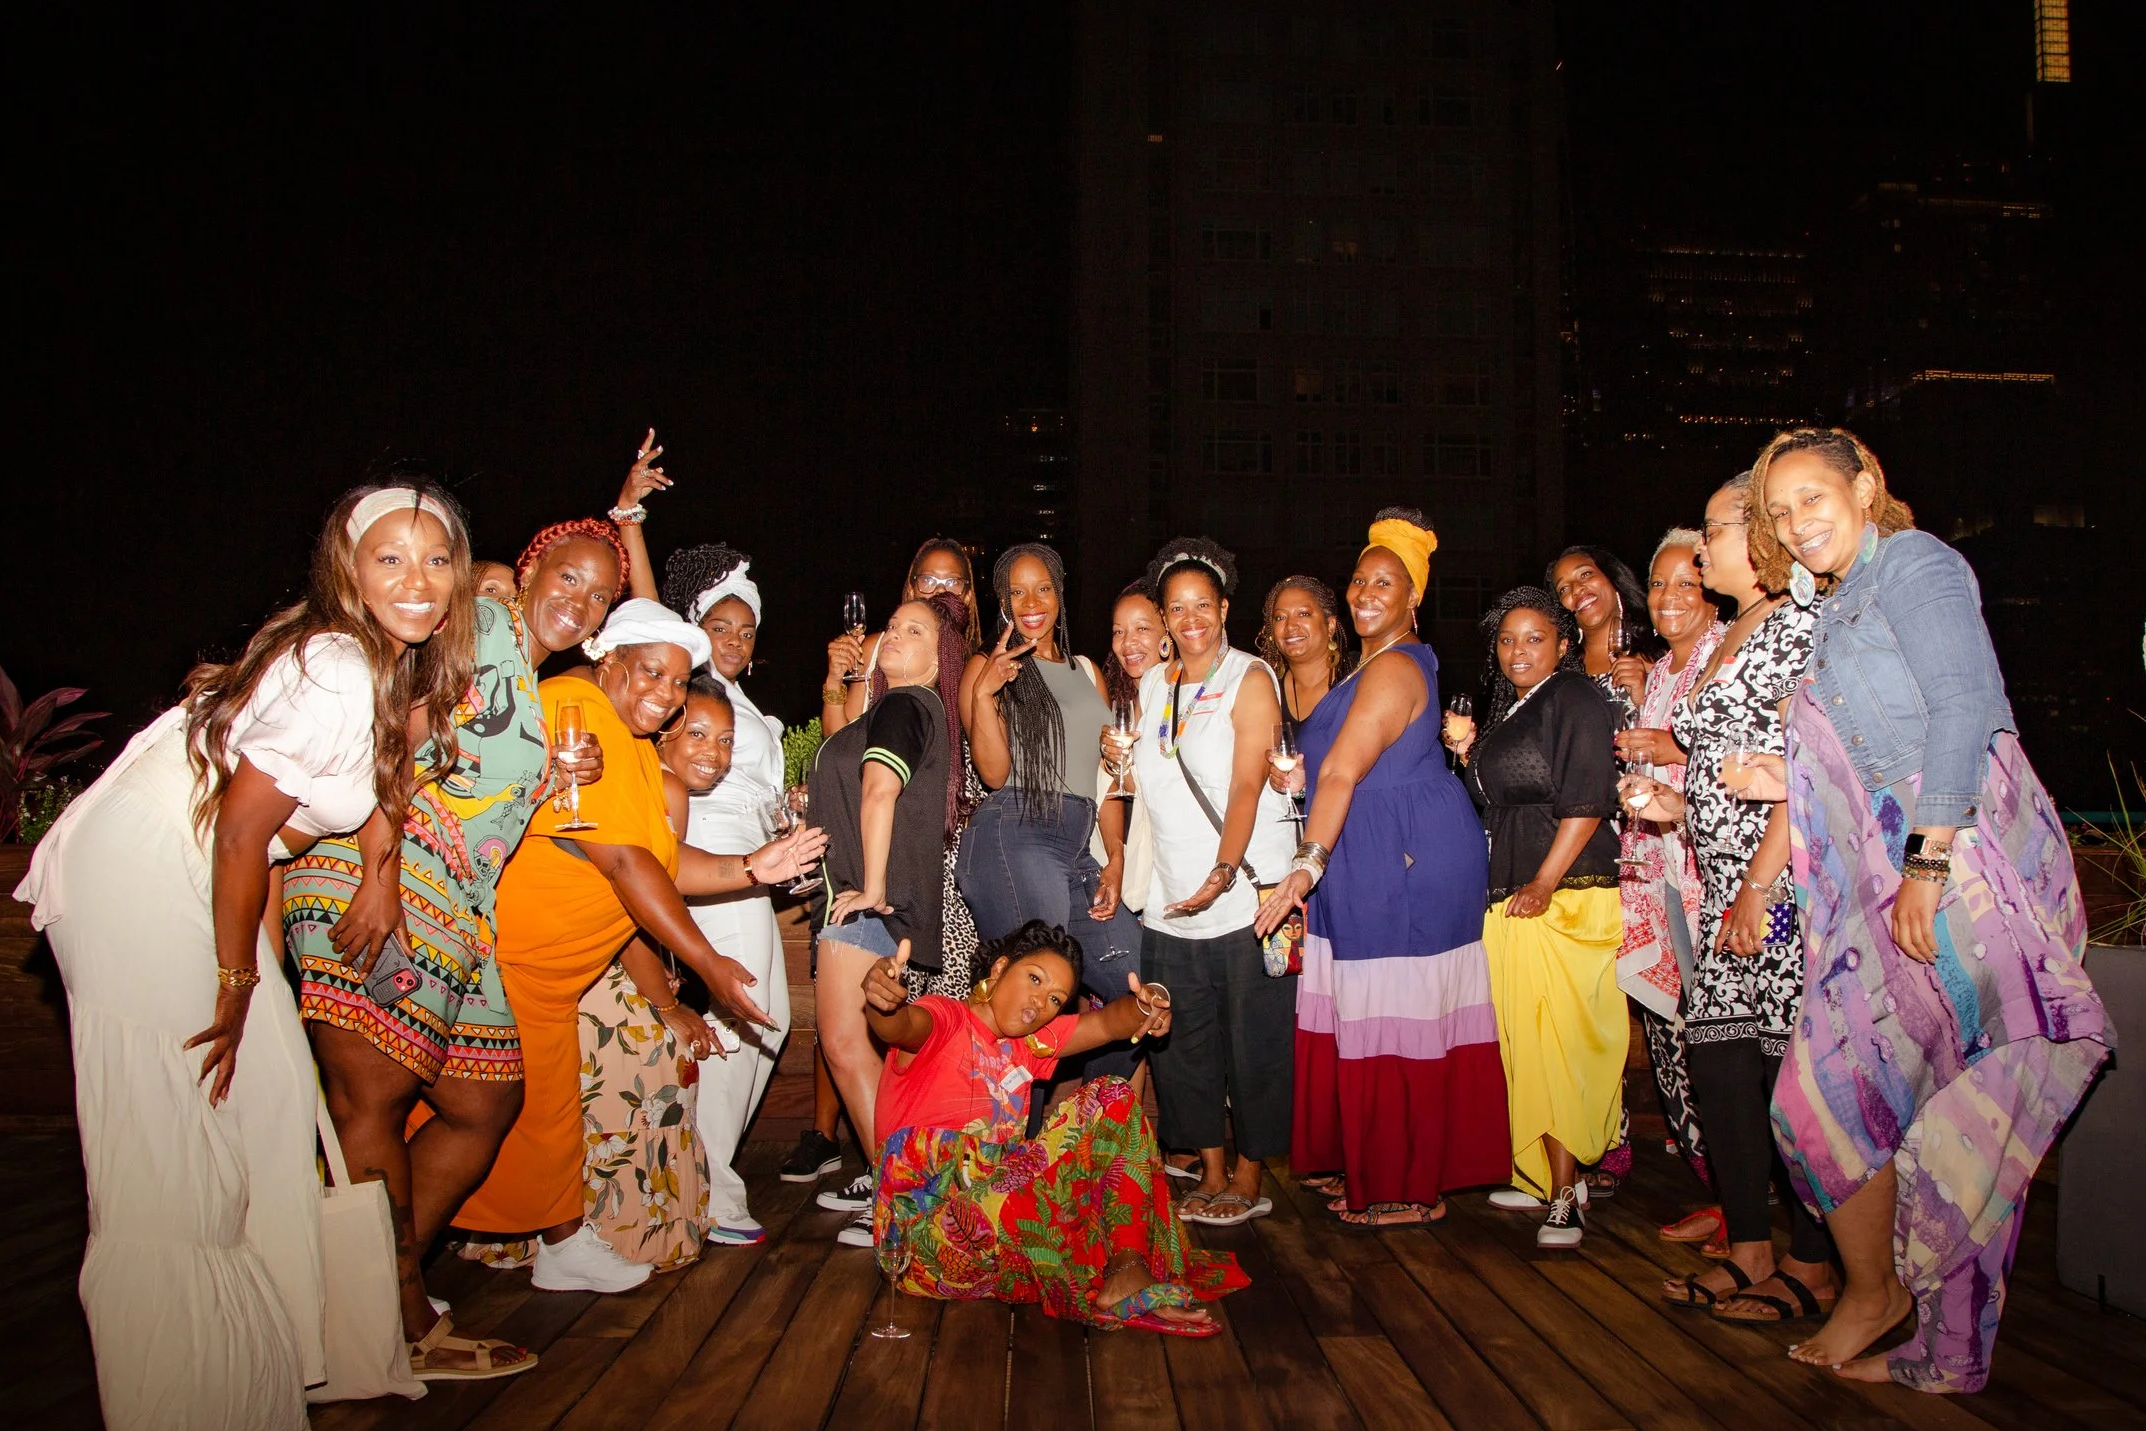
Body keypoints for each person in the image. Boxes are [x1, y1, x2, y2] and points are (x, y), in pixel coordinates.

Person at [17, 482, 472, 1429]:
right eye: (390, 558)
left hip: (208, 874)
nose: (418, 580)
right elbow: (239, 831)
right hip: (146, 871)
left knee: (272, 1098)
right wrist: (234, 982)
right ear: (349, 571)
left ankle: (280, 1365)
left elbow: (367, 788)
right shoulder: (338, 664)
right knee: (170, 1146)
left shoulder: (395, 670)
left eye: (436, 559)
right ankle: (184, 1397)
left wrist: (372, 879)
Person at [1750, 429, 2108, 1390]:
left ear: (1866, 487)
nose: (1795, 522)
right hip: (1885, 878)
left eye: (1813, 497)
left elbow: (1963, 706)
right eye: (1779, 512)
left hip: (1953, 863)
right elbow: (1859, 747)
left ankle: (1911, 1323)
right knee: (1899, 1113)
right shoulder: (1833, 609)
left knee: (1945, 1109)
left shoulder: (1914, 563)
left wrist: (1929, 860)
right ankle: (1918, 1325)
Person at [283, 511, 627, 1378]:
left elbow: (481, 777)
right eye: (569, 577)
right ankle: (388, 1326)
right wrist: (380, 874)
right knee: (373, 1101)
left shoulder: (534, 682)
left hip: (459, 909)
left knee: (485, 1097)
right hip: (384, 871)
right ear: (531, 569)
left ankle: (357, 1289)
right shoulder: (480, 624)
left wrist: (552, 774)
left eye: (600, 596)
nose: (580, 602)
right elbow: (393, 730)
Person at [447, 600, 823, 1292]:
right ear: (608, 660)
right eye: (653, 672)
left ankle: (557, 1244)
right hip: (514, 962)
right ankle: (390, 1280)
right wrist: (705, 963)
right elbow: (626, 863)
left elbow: (665, 861)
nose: (666, 693)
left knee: (531, 1119)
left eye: (678, 681)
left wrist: (752, 866)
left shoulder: (633, 752)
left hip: (561, 972)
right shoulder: (580, 713)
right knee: (471, 1124)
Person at [1254, 511, 1507, 1226]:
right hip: (1366, 847)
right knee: (1366, 1011)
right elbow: (1334, 771)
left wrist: (1304, 866)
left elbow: (1344, 771)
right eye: (1361, 579)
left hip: (1407, 855)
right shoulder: (1368, 668)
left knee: (1400, 1015)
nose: (1367, 592)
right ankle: (1374, 1161)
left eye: (1385, 582)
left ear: (1413, 597)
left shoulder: (1396, 665)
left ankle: (1409, 1185)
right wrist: (1300, 783)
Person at [1625, 479, 1836, 1322]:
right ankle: (1749, 1246)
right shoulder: (1737, 630)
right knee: (1719, 1066)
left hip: (1777, 889)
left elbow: (1808, 764)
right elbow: (1729, 763)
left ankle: (1813, 1260)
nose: (1701, 547)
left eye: (1712, 531)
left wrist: (1756, 885)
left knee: (1788, 1074)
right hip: (1720, 888)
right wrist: (1681, 807)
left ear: (1754, 540)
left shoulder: (1794, 624)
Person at [864, 920, 1249, 1336]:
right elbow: (900, 1026)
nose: (1040, 1002)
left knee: (1114, 1096)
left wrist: (1148, 1006)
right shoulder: (947, 1019)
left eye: (1055, 999)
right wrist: (882, 1000)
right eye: (1034, 979)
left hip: (1000, 1246)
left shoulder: (1032, 1045)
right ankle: (1109, 1268)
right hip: (923, 1245)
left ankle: (1127, 1267)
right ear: (999, 969)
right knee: (1046, 1166)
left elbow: (1108, 1024)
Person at [627, 507, 796, 1244]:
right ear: (695, 627)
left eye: (746, 630)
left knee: (767, 1020)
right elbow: (646, 613)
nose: (733, 640)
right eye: (719, 626)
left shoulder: (739, 702)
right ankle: (712, 1187)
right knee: (748, 1013)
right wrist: (631, 522)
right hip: (714, 857)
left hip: (752, 865)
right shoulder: (691, 686)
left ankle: (695, 1166)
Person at [1128, 538, 1295, 1227]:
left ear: (1224, 609)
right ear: (1165, 618)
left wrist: (1221, 872)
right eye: (1177, 608)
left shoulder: (1250, 676)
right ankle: (1212, 1168)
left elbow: (1247, 784)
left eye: (1203, 604)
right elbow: (1144, 785)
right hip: (1170, 900)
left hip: (1243, 895)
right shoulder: (1151, 686)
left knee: (1255, 1041)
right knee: (1183, 1045)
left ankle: (1250, 1173)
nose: (1191, 618)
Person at [809, 592, 974, 1246]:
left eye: (917, 631)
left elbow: (881, 790)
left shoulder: (906, 702)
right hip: (871, 900)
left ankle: (907, 1202)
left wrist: (872, 887)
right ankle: (906, 1191)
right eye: (895, 626)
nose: (898, 635)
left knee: (846, 1047)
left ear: (939, 660)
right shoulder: (891, 705)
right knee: (857, 1051)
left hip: (871, 903)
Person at [1465, 587, 1625, 1248]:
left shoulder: (1575, 697)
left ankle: (1566, 1195)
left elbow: (1588, 799)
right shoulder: (1517, 707)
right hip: (1513, 891)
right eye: (1507, 640)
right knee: (1523, 1041)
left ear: (1563, 644)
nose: (1518, 651)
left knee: (1557, 1043)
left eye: (1534, 638)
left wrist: (1543, 881)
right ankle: (1539, 1175)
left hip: (1564, 892)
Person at [957, 543, 1142, 988]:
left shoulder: (1088, 671)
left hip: (1079, 844)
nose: (1031, 603)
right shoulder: (987, 667)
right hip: (1017, 829)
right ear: (1004, 603)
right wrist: (984, 694)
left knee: (1136, 982)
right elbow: (993, 774)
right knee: (1034, 988)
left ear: (1059, 592)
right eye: (1017, 593)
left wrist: (1116, 858)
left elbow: (1105, 777)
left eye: (1042, 589)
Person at [1606, 531, 1722, 1214]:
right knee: (1682, 1028)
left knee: (1723, 1031)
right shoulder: (1663, 671)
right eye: (1658, 583)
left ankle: (1745, 1202)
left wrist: (1671, 747)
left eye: (1687, 582)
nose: (1670, 596)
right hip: (1664, 866)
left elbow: (1753, 751)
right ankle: (1724, 1193)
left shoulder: (1726, 653)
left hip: (1714, 870)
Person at [824, 535, 989, 1001]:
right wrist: (835, 679)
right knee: (887, 991)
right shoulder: (885, 649)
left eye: (952, 581)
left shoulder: (977, 658)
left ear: (968, 593)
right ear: (911, 585)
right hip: (892, 817)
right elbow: (843, 740)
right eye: (928, 579)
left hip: (950, 820)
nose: (939, 589)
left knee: (939, 989)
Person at [1258, 575, 1351, 726]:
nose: (1290, 626)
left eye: (1303, 614)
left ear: (1330, 625)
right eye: (1280, 618)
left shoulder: (1359, 675)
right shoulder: (1266, 692)